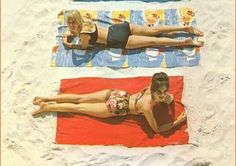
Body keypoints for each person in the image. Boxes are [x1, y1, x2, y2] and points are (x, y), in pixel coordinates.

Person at [32, 72, 187, 134]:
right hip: (117, 107)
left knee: (80, 98)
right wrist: (177, 122)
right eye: (160, 92)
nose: (163, 95)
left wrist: (168, 98)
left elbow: (167, 98)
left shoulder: (148, 88)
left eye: (165, 91)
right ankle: (47, 105)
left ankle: (47, 99)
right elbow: (157, 129)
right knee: (79, 107)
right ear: (154, 90)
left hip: (116, 93)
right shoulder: (147, 107)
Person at [59, 9, 204, 50]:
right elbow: (72, 31)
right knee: (154, 30)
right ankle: (185, 27)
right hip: (119, 28)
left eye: (72, 23)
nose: (70, 25)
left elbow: (85, 46)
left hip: (117, 40)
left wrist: (71, 45)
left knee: (154, 41)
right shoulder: (87, 21)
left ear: (76, 21)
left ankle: (185, 42)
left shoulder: (84, 33)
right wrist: (69, 33)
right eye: (69, 23)